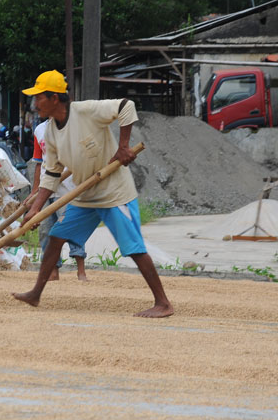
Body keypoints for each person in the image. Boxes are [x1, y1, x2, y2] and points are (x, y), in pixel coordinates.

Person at [12, 70, 174, 318]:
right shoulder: (51, 132)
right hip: (85, 195)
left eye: (38, 98)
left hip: (114, 193)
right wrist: (35, 209)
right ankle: (35, 293)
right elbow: (52, 174)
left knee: (133, 247)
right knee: (56, 238)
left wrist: (123, 146)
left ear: (54, 98)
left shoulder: (86, 111)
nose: (34, 104)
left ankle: (163, 303)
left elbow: (126, 106)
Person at [28, 117, 88, 282]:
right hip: (45, 190)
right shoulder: (39, 130)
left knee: (72, 228)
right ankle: (53, 271)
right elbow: (39, 163)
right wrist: (34, 191)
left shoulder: (73, 126)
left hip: (68, 188)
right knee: (46, 231)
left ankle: (81, 271)